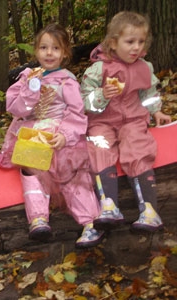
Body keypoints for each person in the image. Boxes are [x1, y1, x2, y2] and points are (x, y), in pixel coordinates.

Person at [0, 23, 103, 248]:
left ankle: (90, 223)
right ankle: (38, 219)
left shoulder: (67, 80)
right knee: (30, 169)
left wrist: (66, 135)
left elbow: (76, 112)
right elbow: (16, 109)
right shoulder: (26, 77)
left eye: (55, 48)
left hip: (59, 136)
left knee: (72, 172)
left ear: (65, 52)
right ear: (36, 50)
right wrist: (31, 89)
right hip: (34, 133)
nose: (49, 53)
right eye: (44, 47)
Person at [80, 11, 171, 233]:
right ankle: (109, 206)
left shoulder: (144, 68)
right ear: (113, 42)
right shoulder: (98, 69)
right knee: (98, 146)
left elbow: (148, 93)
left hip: (132, 119)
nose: (136, 48)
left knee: (136, 146)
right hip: (102, 120)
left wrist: (156, 111)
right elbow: (84, 102)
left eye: (141, 42)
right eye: (130, 42)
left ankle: (149, 210)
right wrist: (102, 94)